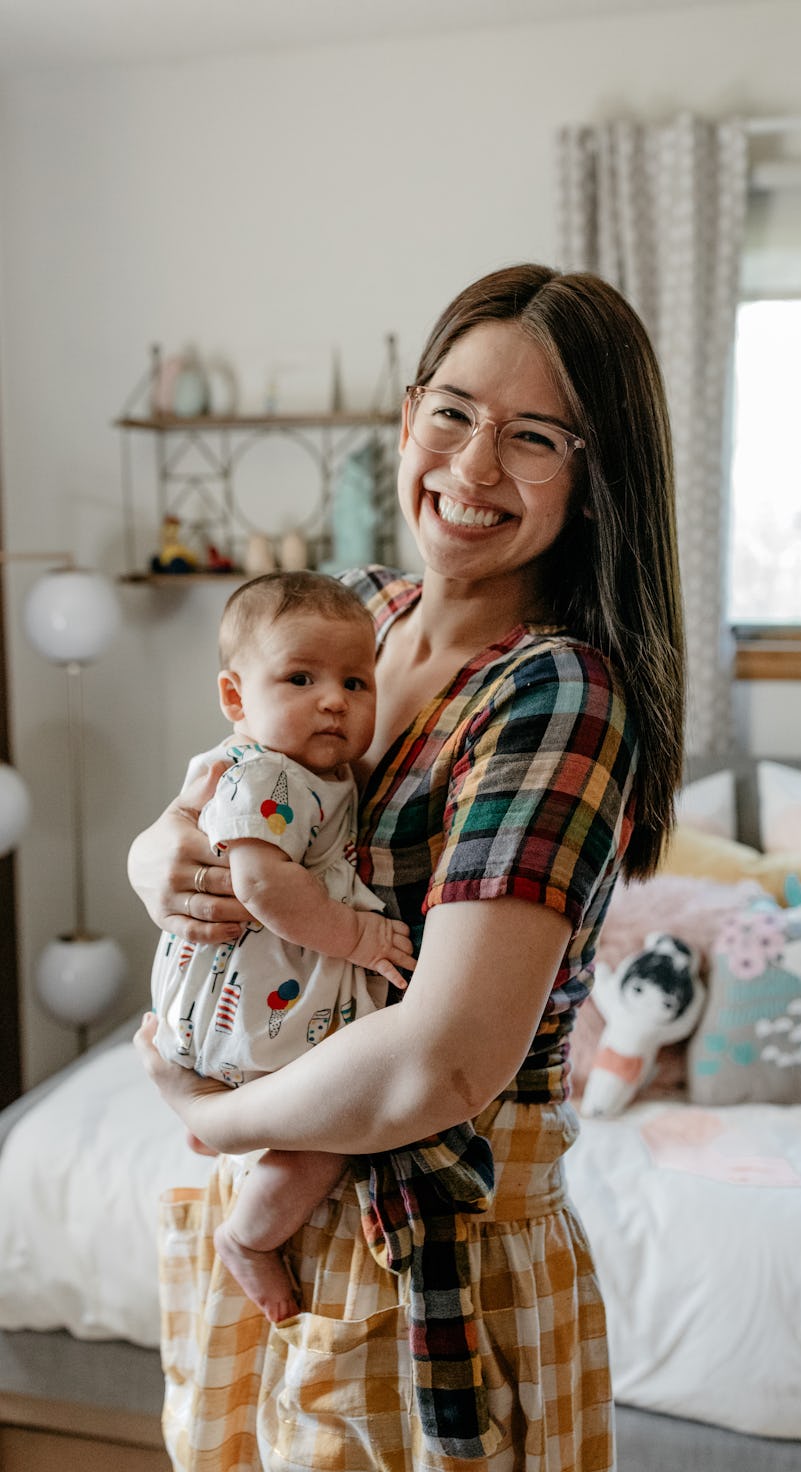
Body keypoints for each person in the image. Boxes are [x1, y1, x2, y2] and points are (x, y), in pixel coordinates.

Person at [130, 262, 685, 1472]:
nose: (473, 467)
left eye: (533, 436)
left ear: (595, 484)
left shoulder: (556, 692)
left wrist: (213, 1120)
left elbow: (442, 1057)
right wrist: (156, 855)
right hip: (288, 1219)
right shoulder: (355, 619)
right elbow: (218, 786)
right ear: (407, 413)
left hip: (429, 1255)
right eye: (453, 412)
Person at [149, 570, 413, 1323]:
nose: (334, 699)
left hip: (240, 999)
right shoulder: (270, 776)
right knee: (335, 1132)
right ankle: (249, 1238)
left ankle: (228, 1122)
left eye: (355, 682)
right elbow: (263, 887)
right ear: (237, 699)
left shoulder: (308, 772)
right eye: (301, 677)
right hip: (256, 1001)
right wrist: (359, 934)